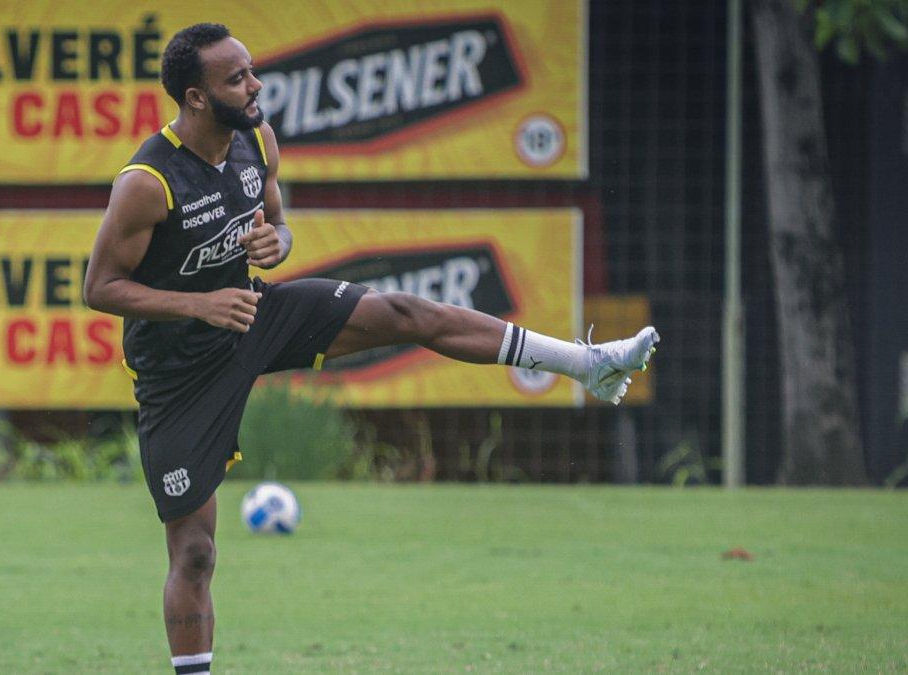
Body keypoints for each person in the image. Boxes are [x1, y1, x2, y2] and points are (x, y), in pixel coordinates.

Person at [83, 23, 659, 675]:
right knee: (194, 553)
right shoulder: (147, 181)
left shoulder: (256, 139)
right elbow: (99, 286)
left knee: (408, 311)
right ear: (194, 97)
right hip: (179, 373)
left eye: (252, 70)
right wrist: (199, 303)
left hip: (255, 317)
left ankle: (590, 363)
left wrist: (280, 241)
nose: (256, 85)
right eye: (237, 78)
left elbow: (275, 217)